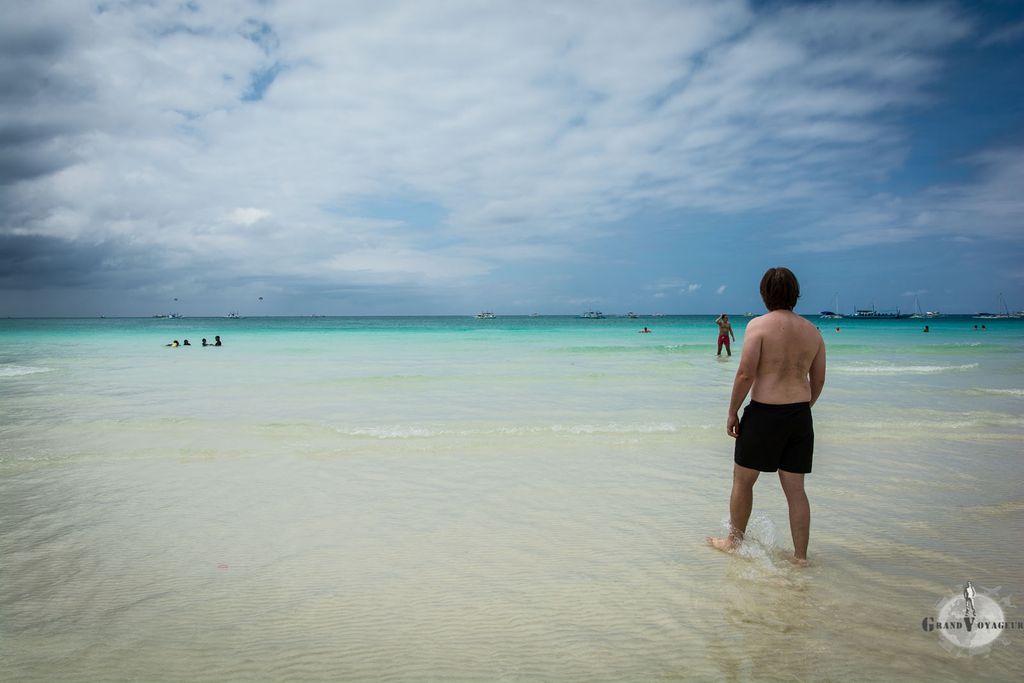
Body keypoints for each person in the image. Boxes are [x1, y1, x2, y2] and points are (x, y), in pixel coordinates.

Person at [706, 267, 826, 566]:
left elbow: (746, 372)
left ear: (764, 294)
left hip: (764, 414)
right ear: (795, 293)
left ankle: (734, 542)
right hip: (799, 415)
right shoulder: (813, 332)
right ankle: (800, 557)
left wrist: (733, 410)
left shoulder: (758, 326)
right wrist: (802, 409)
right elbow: (819, 380)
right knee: (796, 491)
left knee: (743, 481)